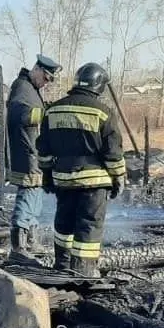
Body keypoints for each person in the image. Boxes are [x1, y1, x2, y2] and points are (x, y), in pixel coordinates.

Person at [37, 62, 126, 276]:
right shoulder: (103, 113)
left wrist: (48, 176)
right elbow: (113, 153)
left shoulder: (53, 110)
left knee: (64, 222)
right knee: (88, 224)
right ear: (99, 86)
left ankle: (62, 265)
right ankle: (83, 272)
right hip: (94, 182)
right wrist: (119, 178)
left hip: (63, 179)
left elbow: (44, 150)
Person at [5, 53, 62, 259]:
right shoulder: (22, 87)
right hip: (25, 153)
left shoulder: (31, 89)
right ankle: (18, 246)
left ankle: (32, 241)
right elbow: (22, 116)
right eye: (45, 78)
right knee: (27, 195)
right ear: (37, 69)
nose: (46, 83)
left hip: (33, 152)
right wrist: (49, 114)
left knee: (35, 196)